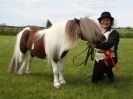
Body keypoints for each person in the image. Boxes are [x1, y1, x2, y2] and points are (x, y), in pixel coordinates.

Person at [90, 11, 120, 83]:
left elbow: (109, 44)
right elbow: (93, 40)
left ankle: (110, 76)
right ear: (100, 22)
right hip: (98, 58)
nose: (105, 22)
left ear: (110, 22)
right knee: (94, 80)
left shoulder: (114, 33)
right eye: (103, 20)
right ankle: (101, 74)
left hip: (110, 57)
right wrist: (90, 42)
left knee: (103, 66)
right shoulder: (99, 32)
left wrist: (96, 45)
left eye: (107, 20)